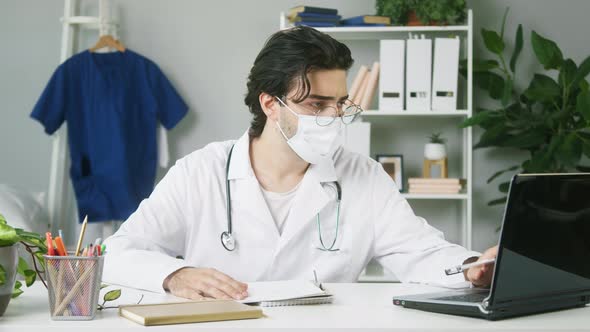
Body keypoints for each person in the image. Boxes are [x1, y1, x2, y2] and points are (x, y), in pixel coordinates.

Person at [103, 26, 497, 301]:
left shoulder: (363, 176)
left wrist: (471, 266)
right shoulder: (199, 172)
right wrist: (173, 274)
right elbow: (116, 253)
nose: (334, 116)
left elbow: (421, 253)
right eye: (316, 105)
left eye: (340, 103)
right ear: (271, 104)